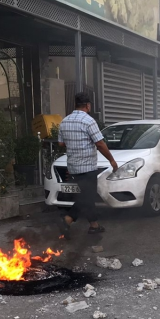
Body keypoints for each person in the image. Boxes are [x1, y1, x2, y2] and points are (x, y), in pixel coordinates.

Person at [58, 92, 118, 238]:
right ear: (87, 105)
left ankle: (94, 225)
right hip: (87, 167)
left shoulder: (64, 121)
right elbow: (100, 143)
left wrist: (74, 143)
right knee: (86, 197)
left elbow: (61, 143)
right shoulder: (88, 121)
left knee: (87, 195)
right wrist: (111, 160)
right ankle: (68, 219)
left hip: (73, 167)